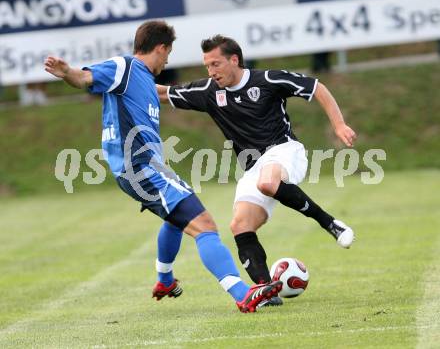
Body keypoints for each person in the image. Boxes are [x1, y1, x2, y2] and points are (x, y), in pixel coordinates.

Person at [44, 22, 281, 313]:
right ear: (161, 48)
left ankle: (165, 280)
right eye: (168, 53)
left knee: (176, 219)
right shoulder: (126, 67)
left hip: (149, 167)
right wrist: (67, 72)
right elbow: (85, 78)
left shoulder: (142, 78)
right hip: (140, 168)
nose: (168, 60)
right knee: (204, 225)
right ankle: (243, 294)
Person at [156, 35, 356, 306]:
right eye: (207, 66)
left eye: (216, 64)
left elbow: (316, 87)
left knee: (268, 182)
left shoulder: (268, 80)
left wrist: (339, 125)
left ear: (234, 60)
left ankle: (329, 222)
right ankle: (266, 291)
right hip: (253, 167)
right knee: (240, 225)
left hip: (285, 151)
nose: (211, 71)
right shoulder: (208, 91)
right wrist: (123, 85)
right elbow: (163, 93)